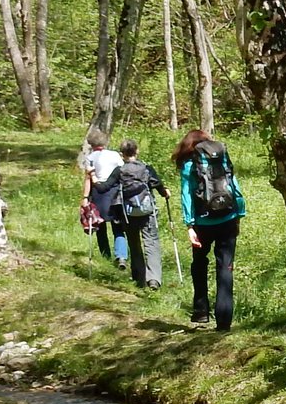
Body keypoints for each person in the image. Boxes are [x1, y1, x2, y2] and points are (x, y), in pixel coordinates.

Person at [174, 128, 247, 331]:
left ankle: (201, 312)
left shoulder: (189, 166)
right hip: (228, 218)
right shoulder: (222, 161)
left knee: (199, 264)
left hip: (202, 223)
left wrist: (189, 225)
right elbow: (234, 187)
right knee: (226, 268)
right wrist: (239, 215)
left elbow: (186, 195)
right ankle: (224, 322)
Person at [113, 139, 170, 290]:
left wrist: (93, 179)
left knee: (134, 243)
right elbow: (157, 184)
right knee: (151, 242)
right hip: (147, 211)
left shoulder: (119, 171)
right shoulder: (146, 168)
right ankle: (154, 280)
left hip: (128, 214)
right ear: (137, 151)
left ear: (121, 154)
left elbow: (105, 187)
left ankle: (139, 278)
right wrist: (165, 193)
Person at [80, 130, 125, 267]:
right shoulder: (115, 155)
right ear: (105, 142)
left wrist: (85, 197)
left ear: (91, 144)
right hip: (115, 193)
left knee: (99, 226)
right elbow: (123, 172)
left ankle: (106, 256)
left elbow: (89, 178)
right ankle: (121, 256)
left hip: (98, 193)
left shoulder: (90, 158)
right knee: (118, 227)